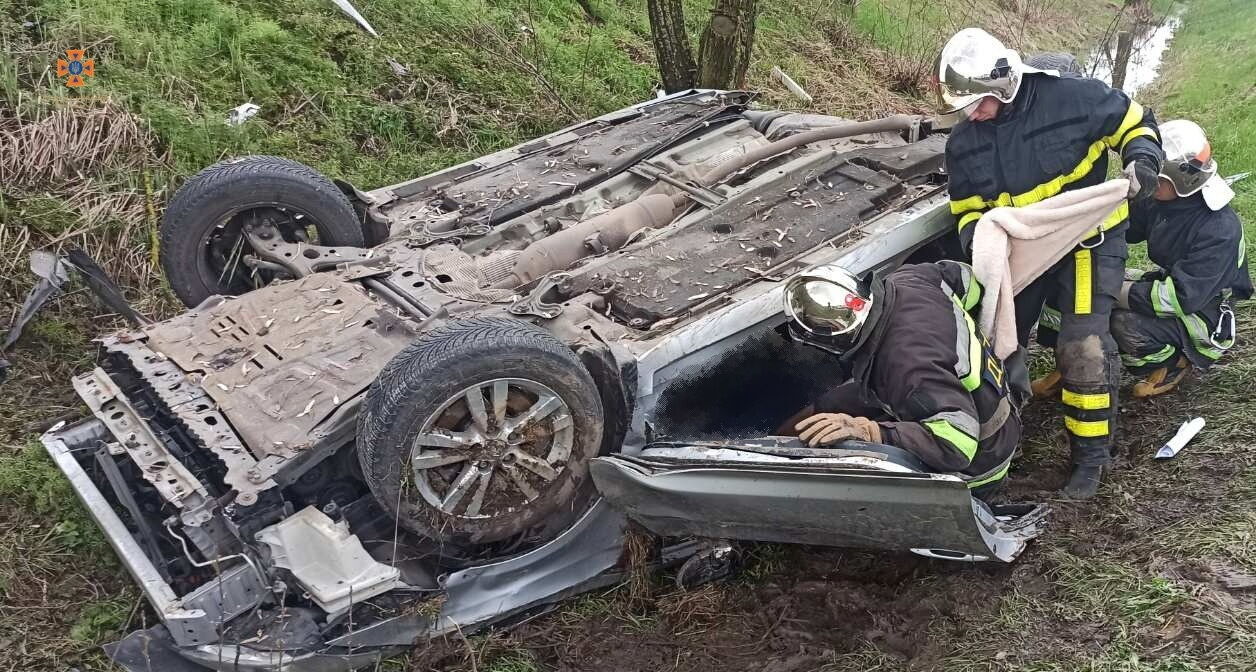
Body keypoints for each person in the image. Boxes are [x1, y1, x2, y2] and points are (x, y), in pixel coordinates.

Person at [936, 28, 1164, 499]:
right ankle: (1002, 441)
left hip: (1088, 239)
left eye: (977, 103)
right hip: (1022, 253)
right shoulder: (964, 142)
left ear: (1002, 84)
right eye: (963, 109)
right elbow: (966, 209)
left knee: (1083, 345)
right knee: (997, 348)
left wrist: (1142, 159)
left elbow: (1136, 123)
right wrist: (982, 243)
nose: (972, 115)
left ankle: (1090, 458)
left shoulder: (1073, 98)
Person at [782, 261, 1026, 499]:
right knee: (834, 402)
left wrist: (868, 431)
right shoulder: (912, 279)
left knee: (852, 457)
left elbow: (958, 445)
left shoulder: (908, 368)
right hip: (971, 401)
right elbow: (968, 281)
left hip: (981, 461)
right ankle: (779, 444)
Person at [1111, 119, 1252, 396]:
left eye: (1157, 178)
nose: (1149, 184)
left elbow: (1182, 296)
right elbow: (1129, 227)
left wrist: (1117, 293)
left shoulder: (1218, 229)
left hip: (1204, 309)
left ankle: (1174, 361)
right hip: (1177, 283)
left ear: (1184, 178)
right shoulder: (1163, 198)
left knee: (1122, 324)